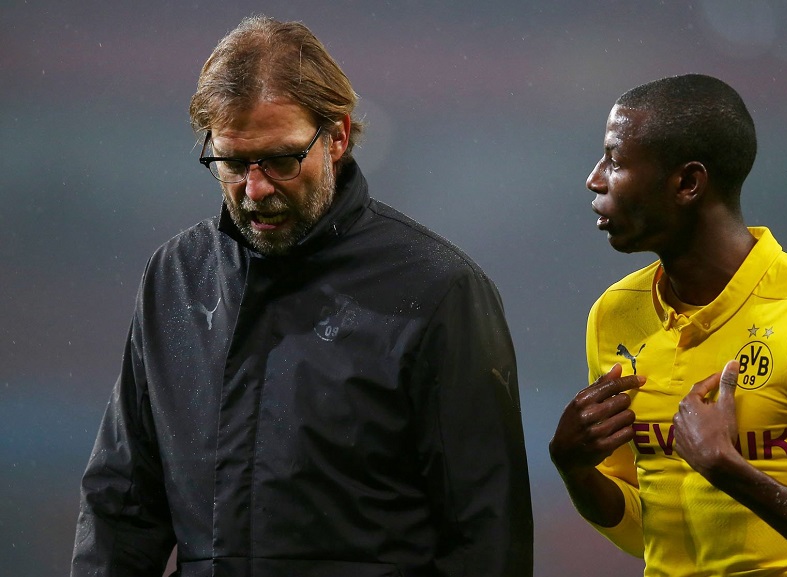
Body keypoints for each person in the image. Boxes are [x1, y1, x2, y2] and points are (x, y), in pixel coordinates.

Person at [71, 15, 532, 577]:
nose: (255, 188)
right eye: (233, 163)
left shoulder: (440, 289)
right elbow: (122, 503)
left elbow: (485, 536)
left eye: (282, 159)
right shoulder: (175, 277)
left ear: (337, 137)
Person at [549, 74, 787, 576]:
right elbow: (646, 531)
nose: (595, 179)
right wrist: (574, 469)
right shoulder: (615, 314)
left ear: (687, 183)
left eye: (615, 161)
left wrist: (729, 469)